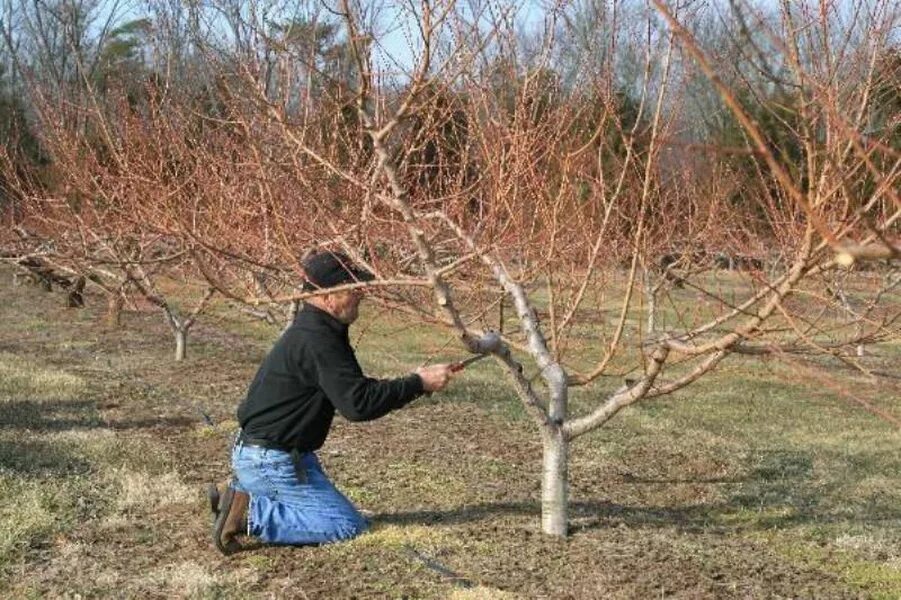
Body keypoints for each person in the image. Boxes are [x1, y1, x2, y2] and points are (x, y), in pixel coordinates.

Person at [209, 251, 455, 554]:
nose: (361, 294)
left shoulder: (316, 331)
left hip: (273, 455)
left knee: (331, 515)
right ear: (327, 295)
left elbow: (353, 390)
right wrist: (419, 383)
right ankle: (247, 513)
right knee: (345, 525)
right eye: (353, 288)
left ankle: (237, 494)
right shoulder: (318, 339)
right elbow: (358, 404)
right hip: (272, 461)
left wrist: (414, 380)